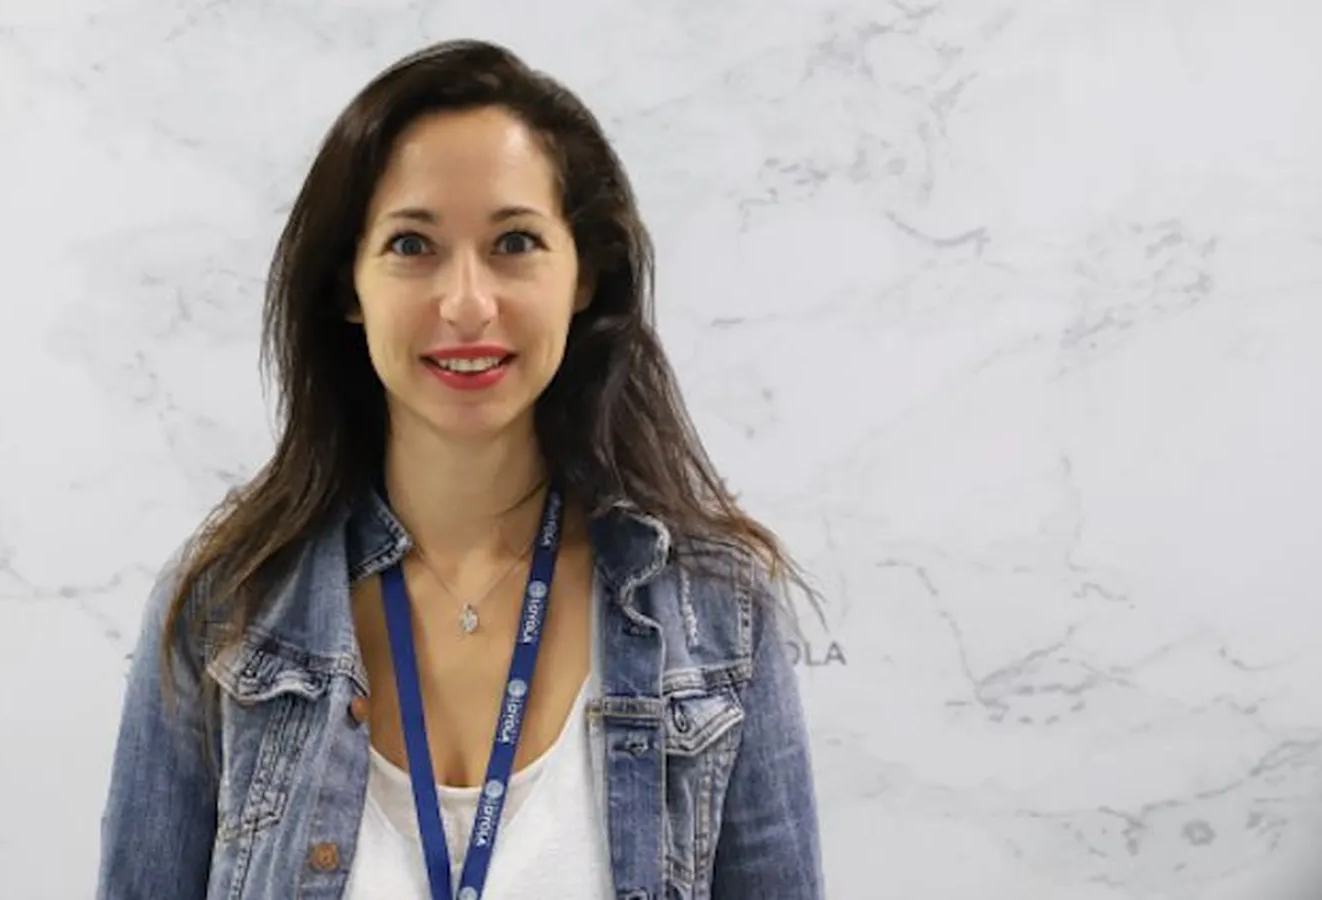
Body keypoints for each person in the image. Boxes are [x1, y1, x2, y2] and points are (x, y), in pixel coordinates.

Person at [96, 38, 824, 900]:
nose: (468, 303)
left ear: (584, 275)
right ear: (349, 286)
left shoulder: (717, 614)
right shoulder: (224, 607)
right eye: (413, 245)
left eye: (515, 241)